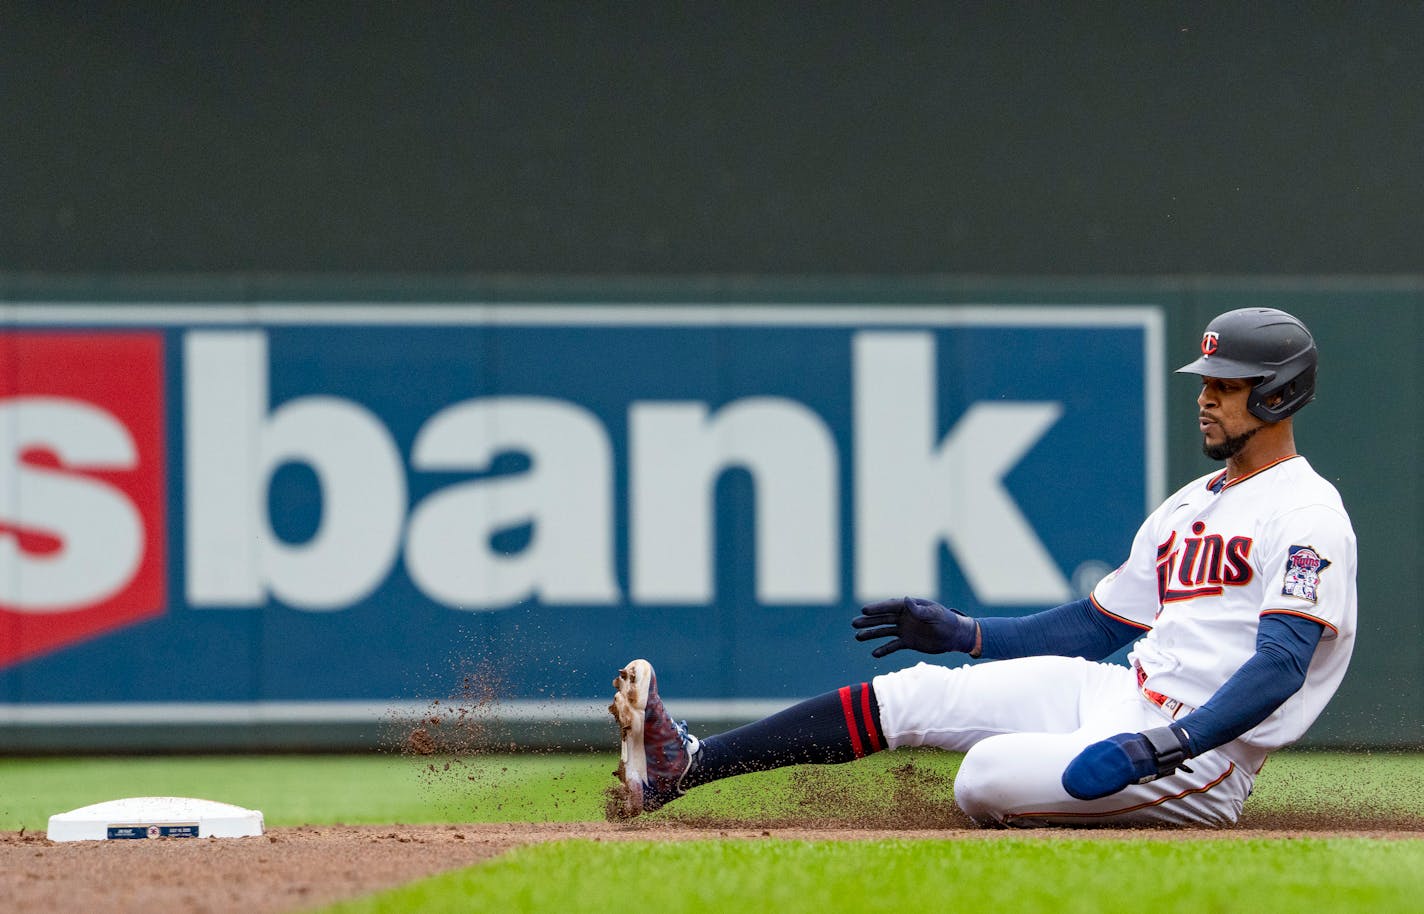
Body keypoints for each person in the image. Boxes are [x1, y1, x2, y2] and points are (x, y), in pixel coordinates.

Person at [610, 308, 1356, 827]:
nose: (1206, 398)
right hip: (1122, 695)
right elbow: (1098, 625)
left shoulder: (1306, 514)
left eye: (1225, 386)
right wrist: (966, 632)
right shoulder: (1193, 503)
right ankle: (687, 767)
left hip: (1199, 756)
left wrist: (1169, 745)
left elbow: (1281, 667)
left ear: (1278, 392)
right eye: (1205, 382)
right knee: (915, 695)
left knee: (984, 778)